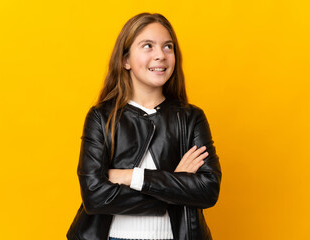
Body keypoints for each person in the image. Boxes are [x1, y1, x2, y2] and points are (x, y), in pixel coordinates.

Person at [67, 12, 222, 240]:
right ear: (125, 60)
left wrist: (131, 177)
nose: (161, 55)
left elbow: (208, 190)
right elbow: (94, 197)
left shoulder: (191, 118)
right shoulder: (101, 117)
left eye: (168, 47)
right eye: (148, 46)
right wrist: (174, 182)